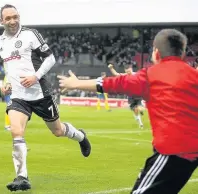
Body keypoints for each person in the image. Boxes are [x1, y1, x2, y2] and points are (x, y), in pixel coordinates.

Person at [58, 29, 198, 194]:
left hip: (174, 152)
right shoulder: (193, 75)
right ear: (182, 53)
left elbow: (115, 83)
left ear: (156, 53)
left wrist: (76, 84)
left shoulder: (151, 75)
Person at [0, 4, 91, 192]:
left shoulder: (31, 34)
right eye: (8, 18)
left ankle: (80, 136)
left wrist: (35, 77)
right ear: (1, 21)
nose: (13, 21)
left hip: (40, 93)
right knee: (16, 131)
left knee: (58, 130)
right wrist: (7, 82)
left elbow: (50, 59)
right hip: (18, 97)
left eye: (15, 17)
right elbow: (9, 67)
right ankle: (22, 176)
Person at [108, 64, 144, 129]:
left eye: (129, 71)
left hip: (138, 95)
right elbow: (116, 74)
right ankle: (140, 123)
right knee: (135, 110)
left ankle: (140, 111)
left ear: (131, 69)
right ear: (125, 71)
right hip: (130, 96)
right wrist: (111, 68)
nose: (128, 73)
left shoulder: (137, 75)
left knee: (139, 108)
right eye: (127, 72)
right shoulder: (125, 75)